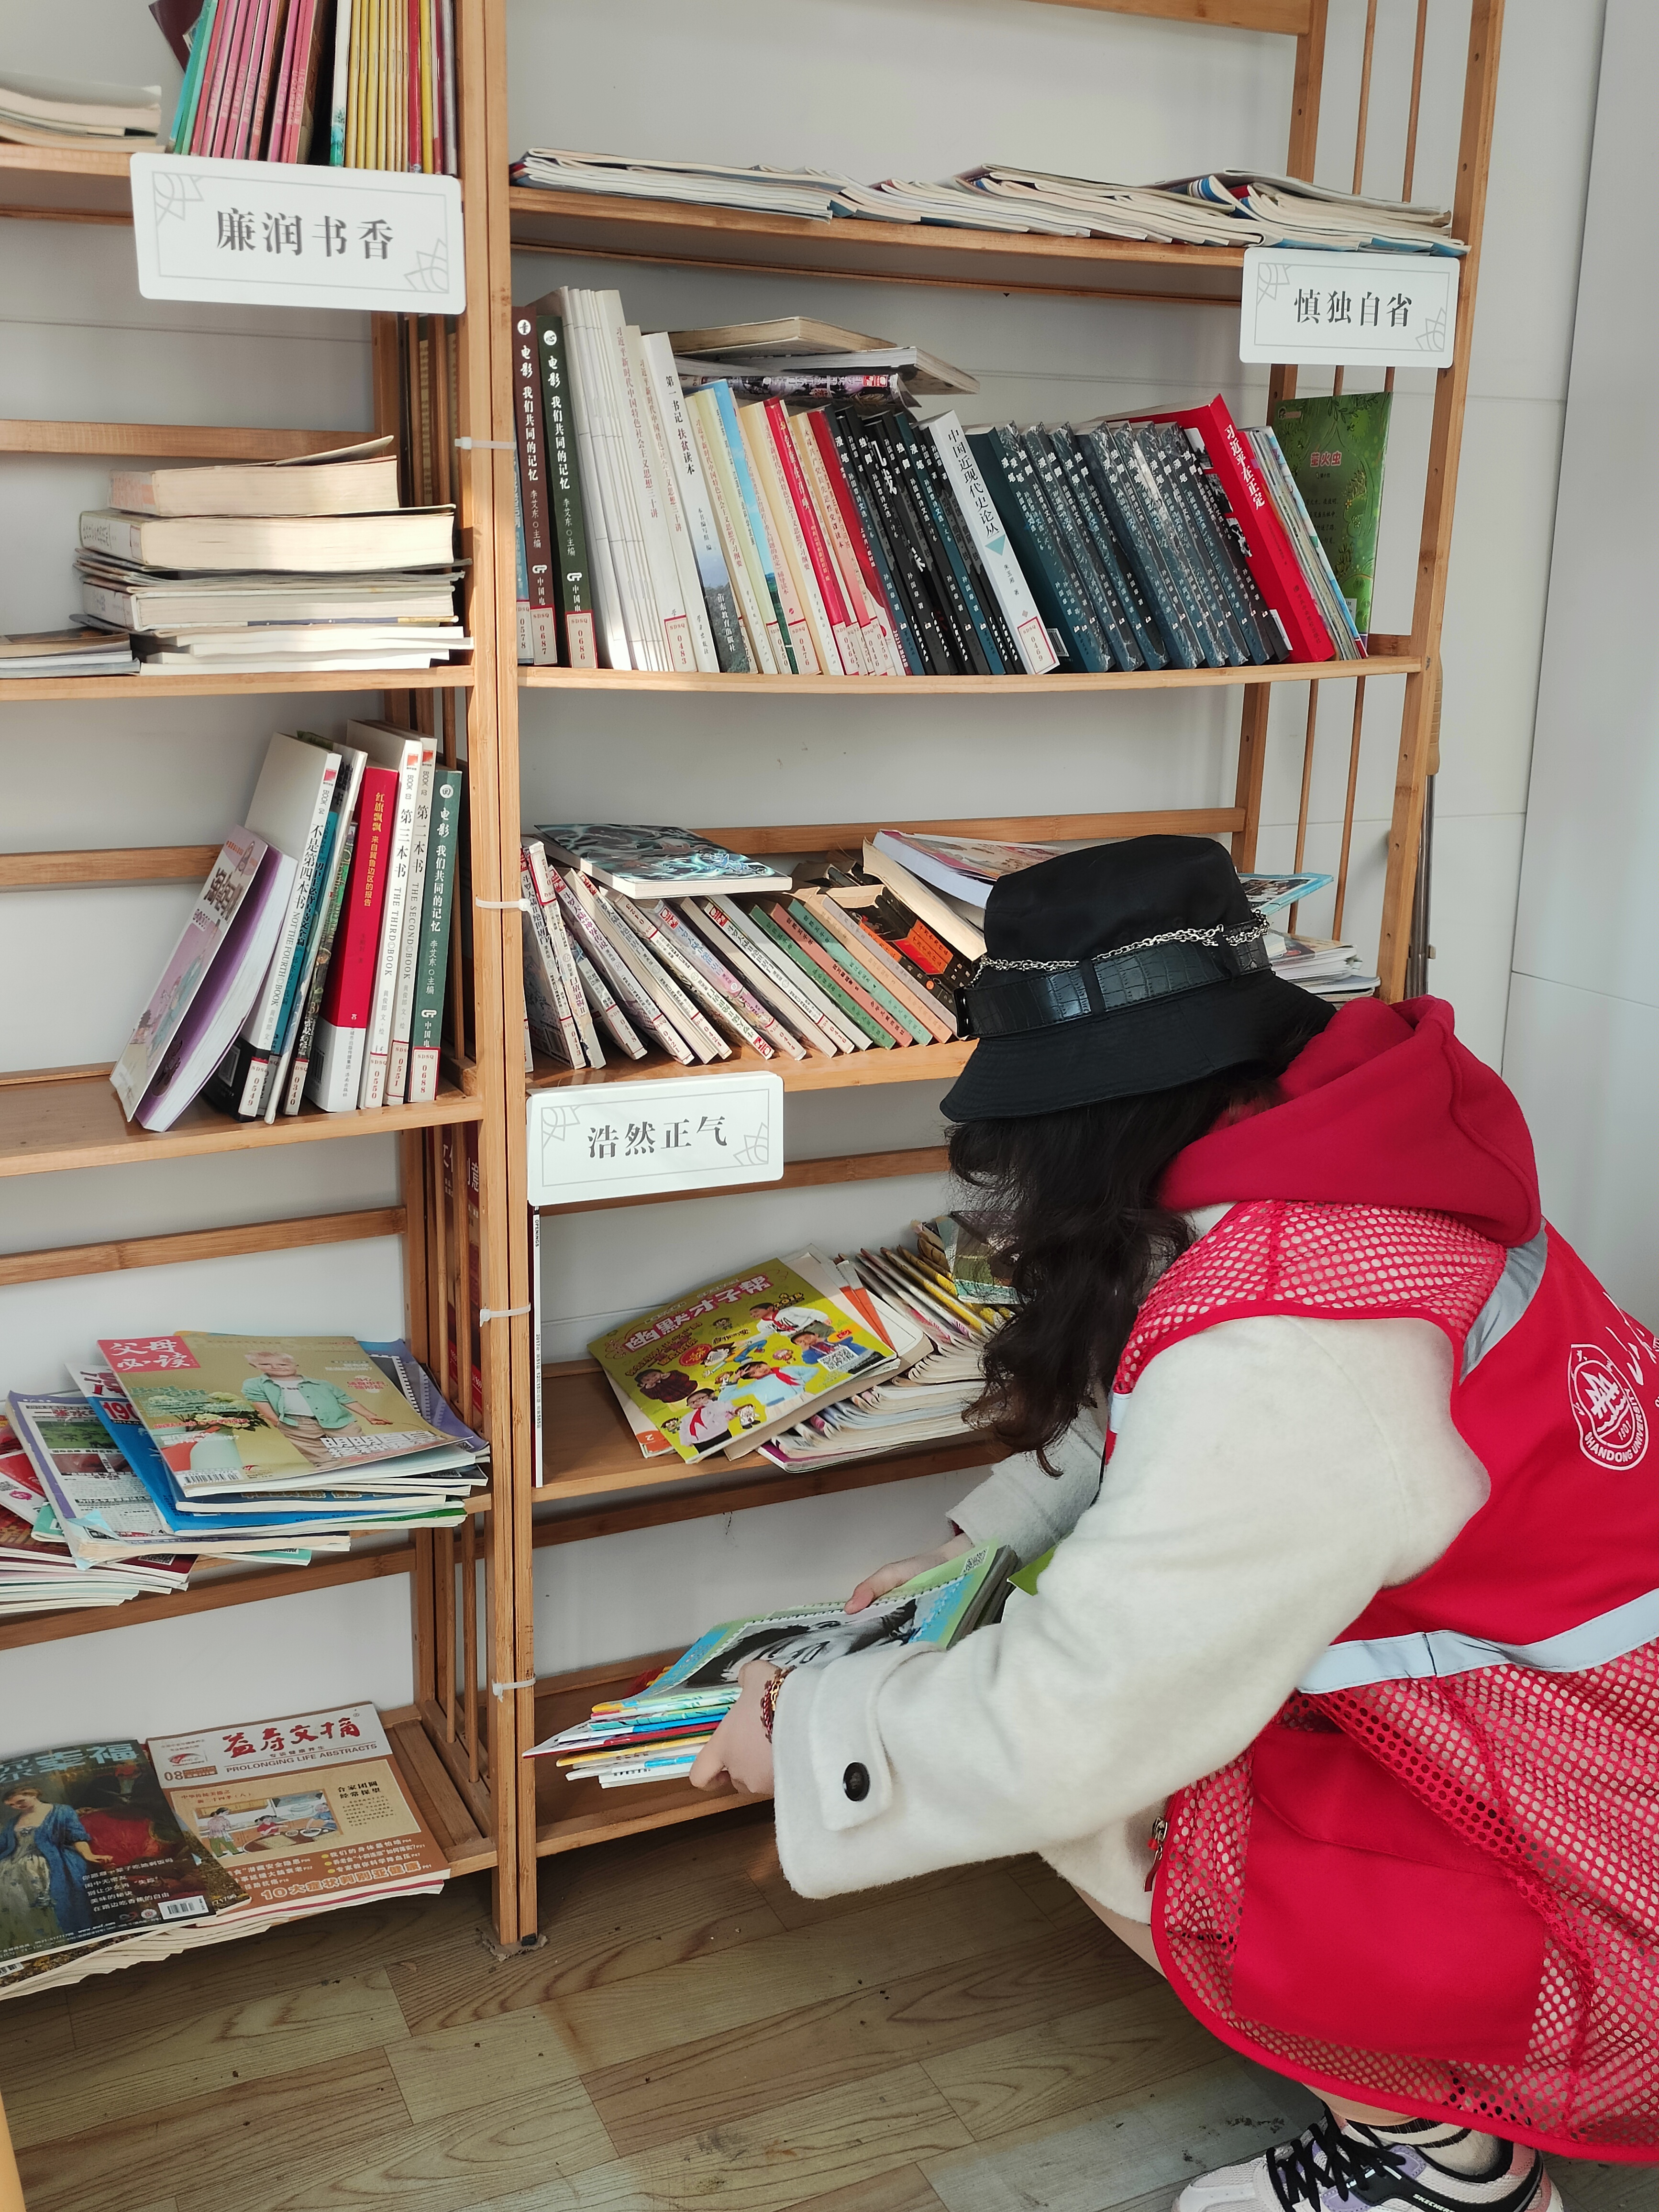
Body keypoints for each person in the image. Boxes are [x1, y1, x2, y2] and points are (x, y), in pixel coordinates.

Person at [691, 836, 1659, 2207]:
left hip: (1594, 1856)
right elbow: (1175, 1399)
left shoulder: (1291, 1342)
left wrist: (812, 1734)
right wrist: (978, 1552)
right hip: (1578, 1733)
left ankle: (1441, 2168)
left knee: (1110, 1800)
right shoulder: (1362, 1158)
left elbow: (1072, 1729)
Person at [0, 1784, 113, 1954]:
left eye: (20, 1802)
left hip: (49, 1861)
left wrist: (88, 1855)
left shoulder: (61, 1812)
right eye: (12, 1805)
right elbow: (3, 1845)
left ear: (33, 1794)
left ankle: (59, 1940)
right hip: (11, 1864)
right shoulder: (13, 1822)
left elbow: (77, 1836)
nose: (17, 1807)